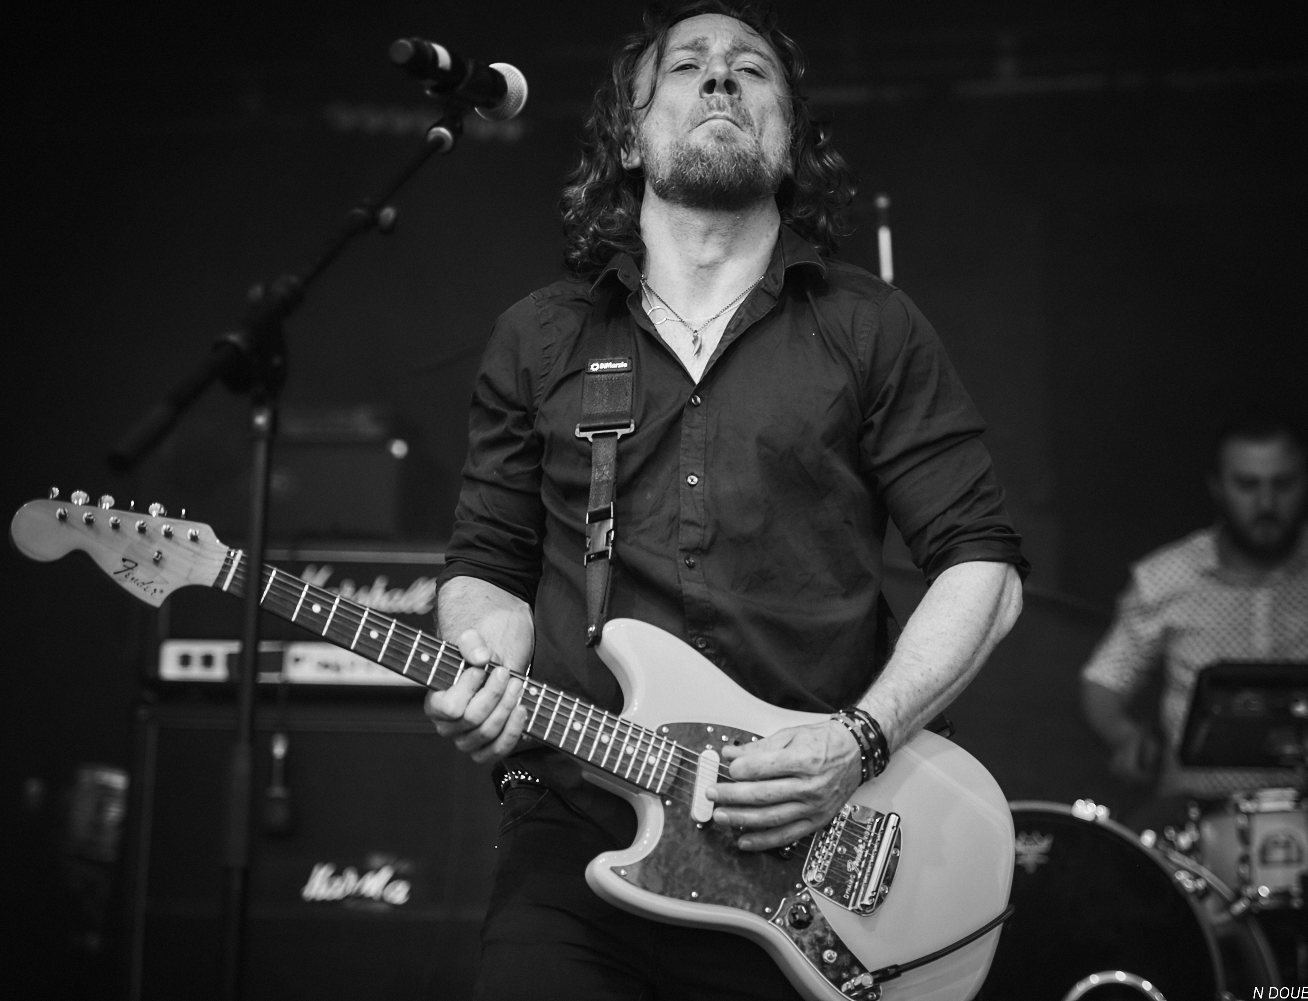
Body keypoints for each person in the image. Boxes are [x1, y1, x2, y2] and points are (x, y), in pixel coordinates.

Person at [422, 3, 1028, 998]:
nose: (719, 78)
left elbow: (983, 568)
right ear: (629, 136)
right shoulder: (540, 337)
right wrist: (479, 658)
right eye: (687, 66)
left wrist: (859, 738)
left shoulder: (870, 327)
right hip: (576, 828)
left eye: (751, 70)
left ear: (789, 141)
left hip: (806, 843)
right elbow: (488, 564)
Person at [1080, 416, 1308, 819]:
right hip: (1200, 813)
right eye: (1247, 485)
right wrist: (1125, 736)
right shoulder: (1164, 577)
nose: (1266, 504)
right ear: (1217, 487)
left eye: (1283, 484)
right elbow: (1105, 679)